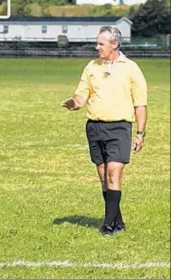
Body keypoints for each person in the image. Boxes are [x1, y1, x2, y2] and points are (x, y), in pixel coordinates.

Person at [62, 26, 147, 236]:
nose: (96, 47)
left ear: (114, 44)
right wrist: (74, 103)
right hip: (95, 127)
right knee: (103, 177)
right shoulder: (92, 67)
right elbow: (82, 94)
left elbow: (140, 104)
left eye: (101, 43)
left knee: (113, 173)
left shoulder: (131, 68)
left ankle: (107, 225)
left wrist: (140, 133)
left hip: (120, 127)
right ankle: (118, 220)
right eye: (97, 43)